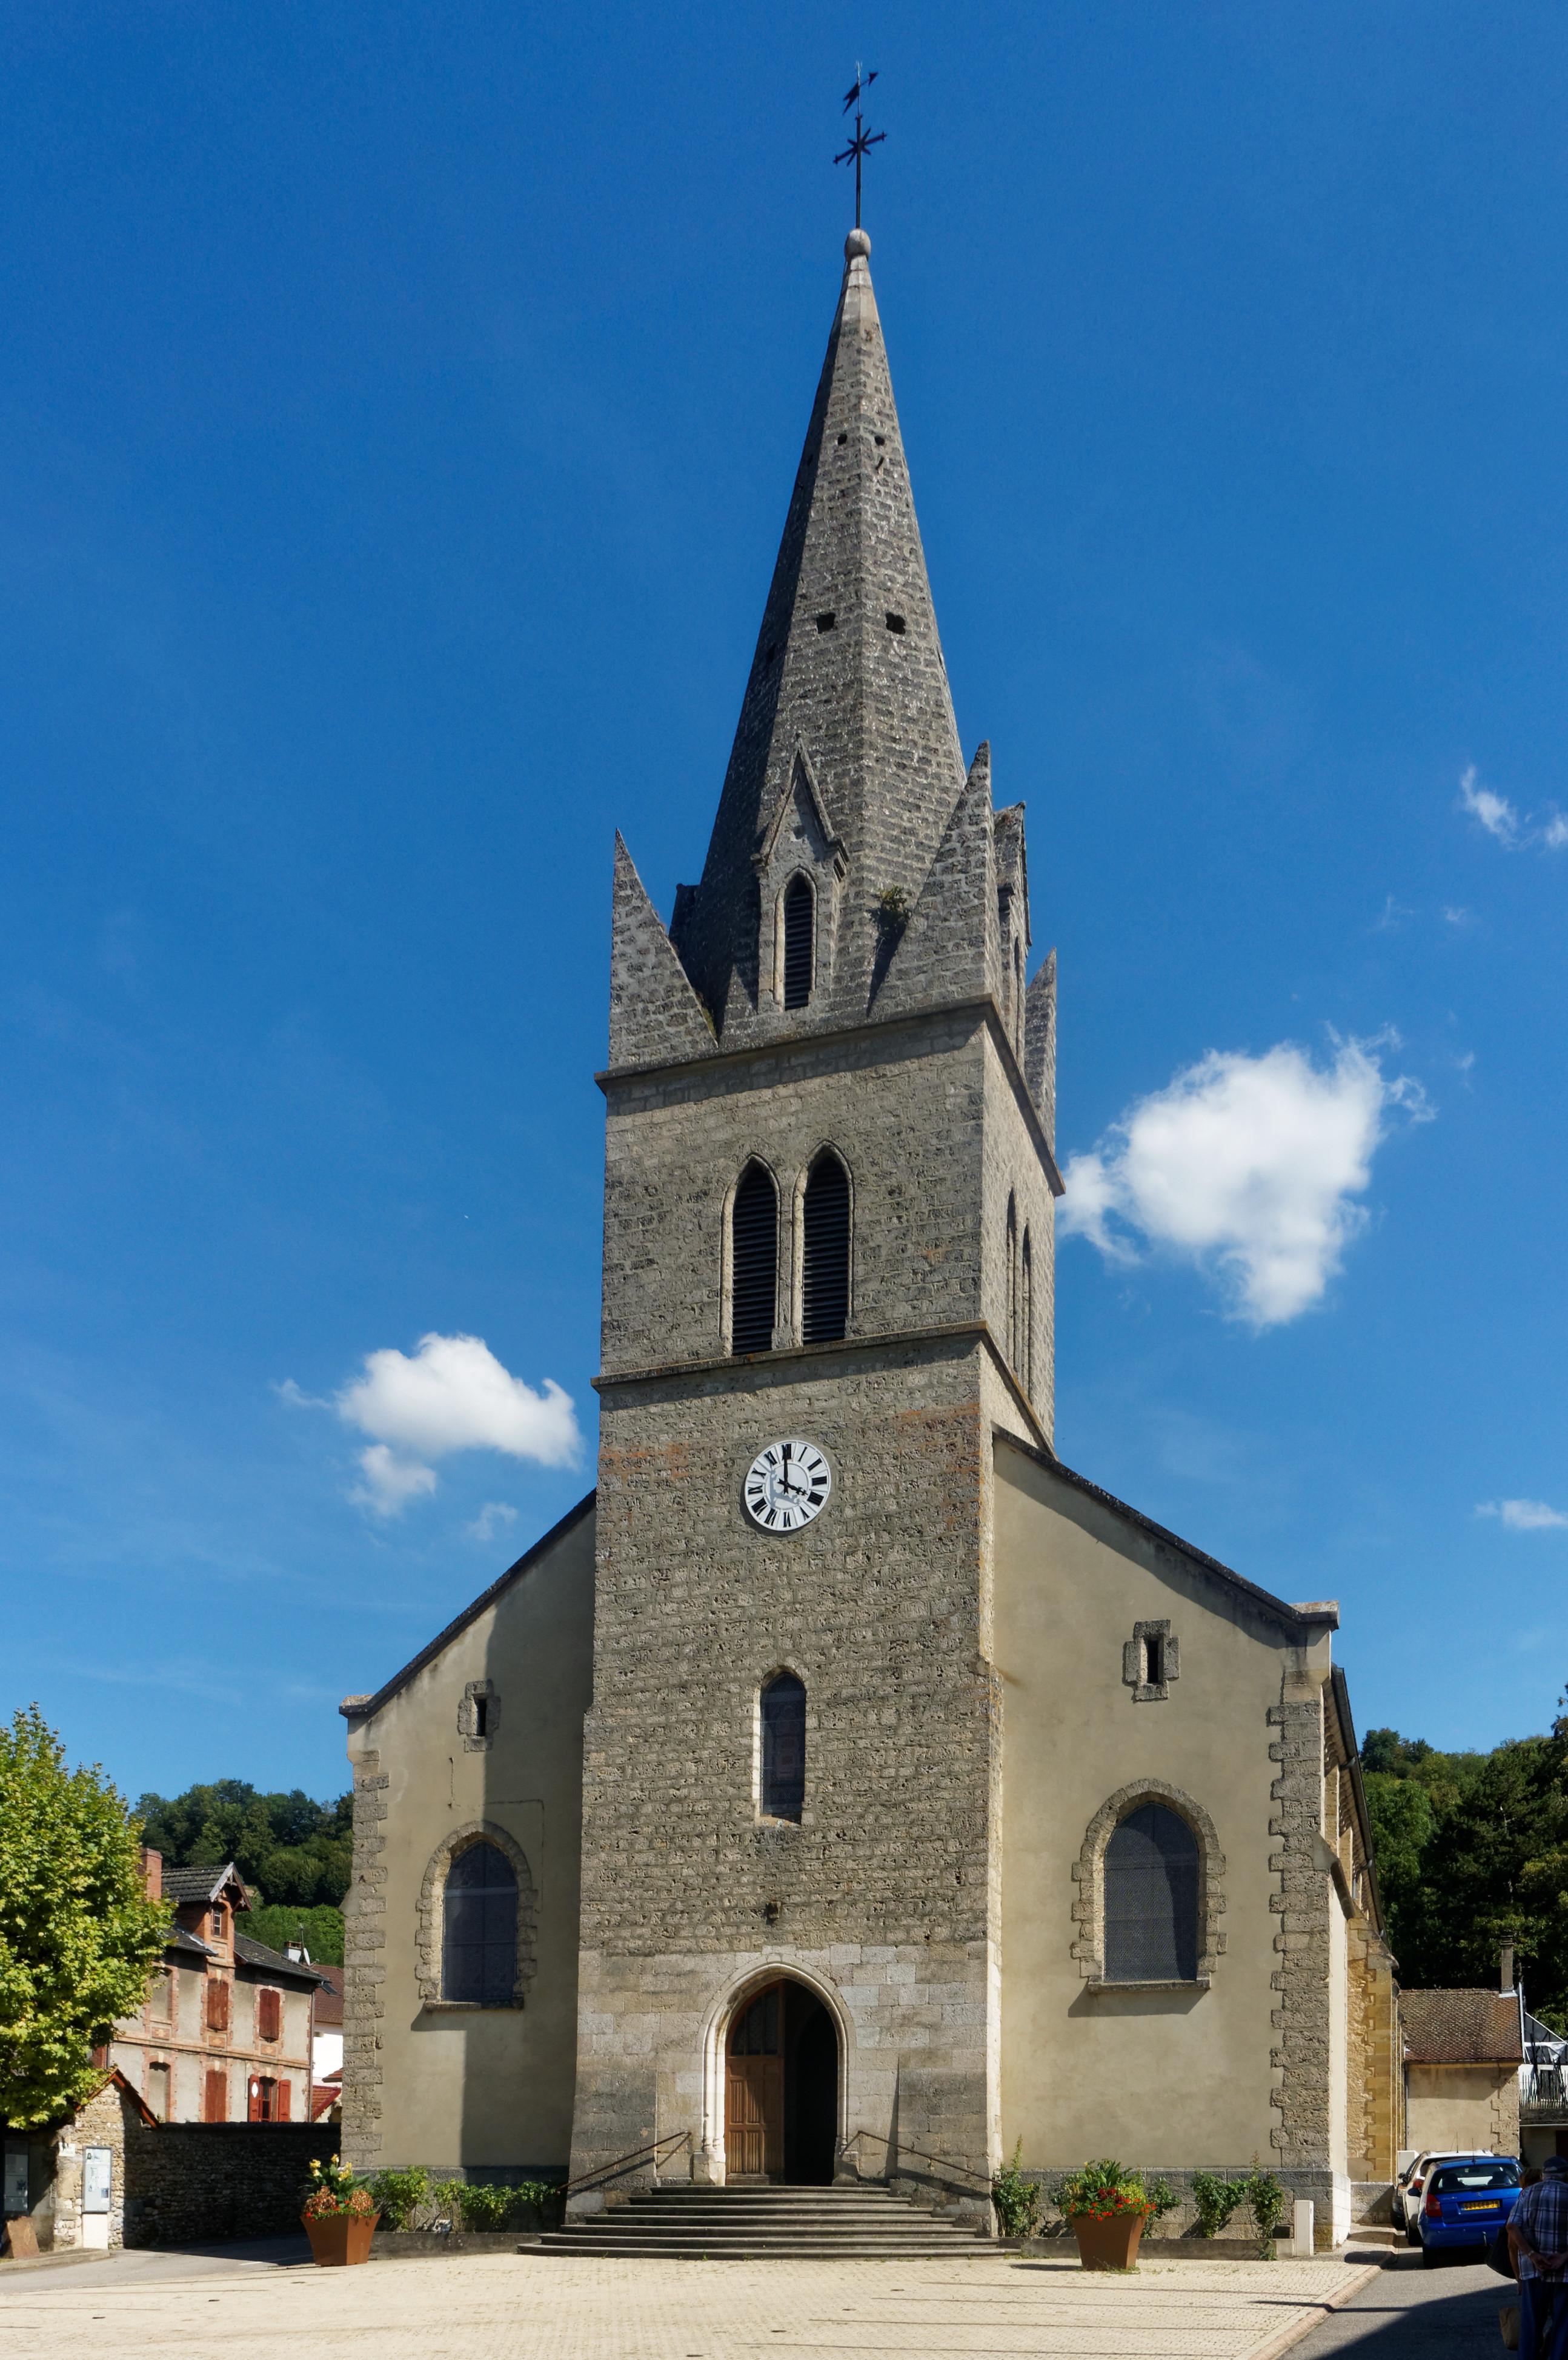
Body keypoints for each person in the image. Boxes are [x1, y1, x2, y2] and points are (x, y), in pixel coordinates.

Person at [1510, 2155, 1568, 2360]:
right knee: (1563, 2325)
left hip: (1533, 2270)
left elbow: (1512, 2227)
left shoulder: (1527, 2194)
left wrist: (1533, 2255)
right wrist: (1563, 2257)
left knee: (1531, 2325)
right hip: (1564, 2273)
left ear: (1544, 2175)